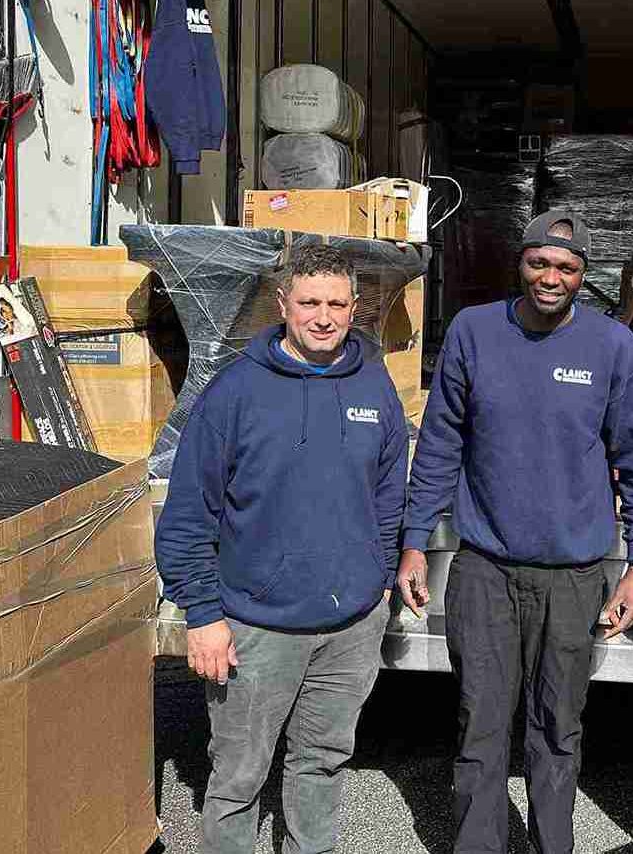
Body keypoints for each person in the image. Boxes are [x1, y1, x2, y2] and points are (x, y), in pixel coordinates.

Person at [397, 211, 633, 854]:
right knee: (480, 728)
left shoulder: (611, 347)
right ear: (520, 263)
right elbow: (438, 445)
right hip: (485, 570)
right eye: (540, 263)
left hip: (574, 577)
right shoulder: (473, 332)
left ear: (583, 277)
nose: (552, 277)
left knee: (557, 731)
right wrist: (412, 542)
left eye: (567, 268)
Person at [155, 244, 409, 854]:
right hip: (255, 628)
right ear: (282, 305)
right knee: (239, 778)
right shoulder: (236, 392)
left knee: (321, 766)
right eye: (309, 303)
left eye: (337, 304)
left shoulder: (374, 384)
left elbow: (388, 494)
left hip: (350, 627)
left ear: (356, 308)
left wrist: (375, 579)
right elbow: (190, 514)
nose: (324, 317)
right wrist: (204, 617)